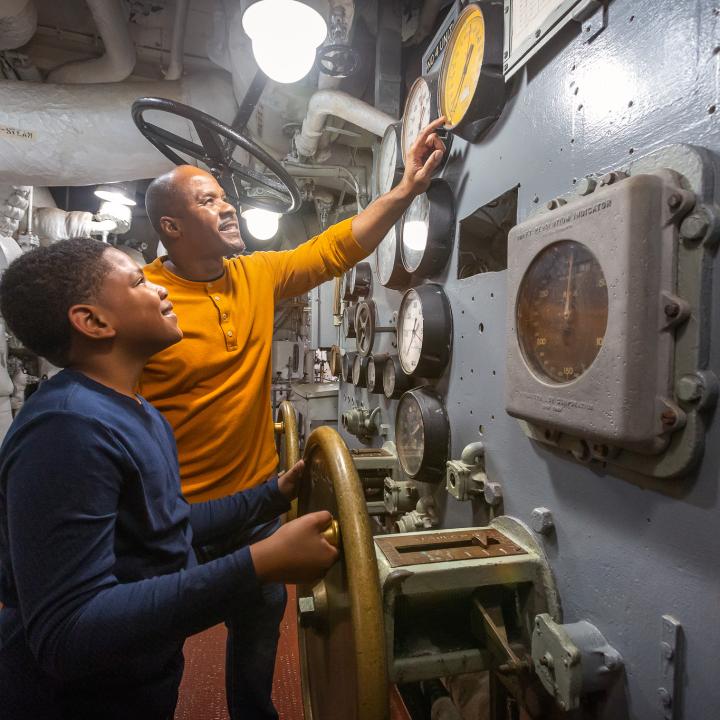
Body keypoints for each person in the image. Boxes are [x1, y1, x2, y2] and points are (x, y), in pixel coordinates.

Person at [139, 116, 447, 719]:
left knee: (255, 647)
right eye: (208, 201)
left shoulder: (256, 276)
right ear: (171, 227)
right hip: (177, 515)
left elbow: (335, 248)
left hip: (255, 506)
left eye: (225, 198)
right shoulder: (147, 299)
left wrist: (405, 190)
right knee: (154, 656)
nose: (227, 208)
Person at [0, 238, 339, 720]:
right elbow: (67, 631)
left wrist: (271, 496)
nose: (162, 291)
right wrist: (259, 563)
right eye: (139, 281)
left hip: (137, 682)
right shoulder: (66, 429)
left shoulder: (137, 410)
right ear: (93, 322)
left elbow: (163, 526)